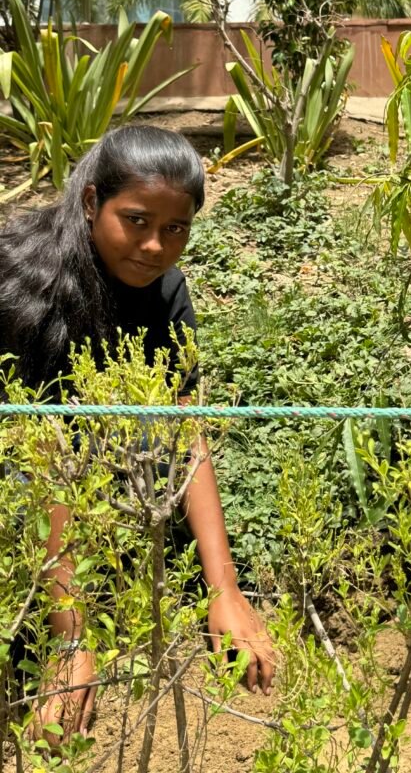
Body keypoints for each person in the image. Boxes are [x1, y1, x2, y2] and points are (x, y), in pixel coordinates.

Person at [0, 125, 275, 738]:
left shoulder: (165, 292)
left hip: (70, 463)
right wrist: (72, 640)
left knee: (153, 430)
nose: (155, 246)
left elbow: (184, 431)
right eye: (137, 220)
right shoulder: (30, 286)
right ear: (92, 202)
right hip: (20, 459)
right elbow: (44, 466)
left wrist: (223, 588)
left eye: (175, 228)